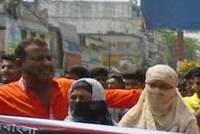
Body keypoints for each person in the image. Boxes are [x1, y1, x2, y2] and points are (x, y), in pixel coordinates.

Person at [0, 38, 141, 120]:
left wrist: (152, 90)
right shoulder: (4, 97)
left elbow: (117, 96)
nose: (47, 64)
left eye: (49, 58)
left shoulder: (72, 88)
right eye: (39, 59)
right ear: (19, 63)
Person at [119, 64, 199, 134]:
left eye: (163, 87)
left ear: (173, 90)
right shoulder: (132, 118)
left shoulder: (187, 121)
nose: (157, 91)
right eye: (152, 85)